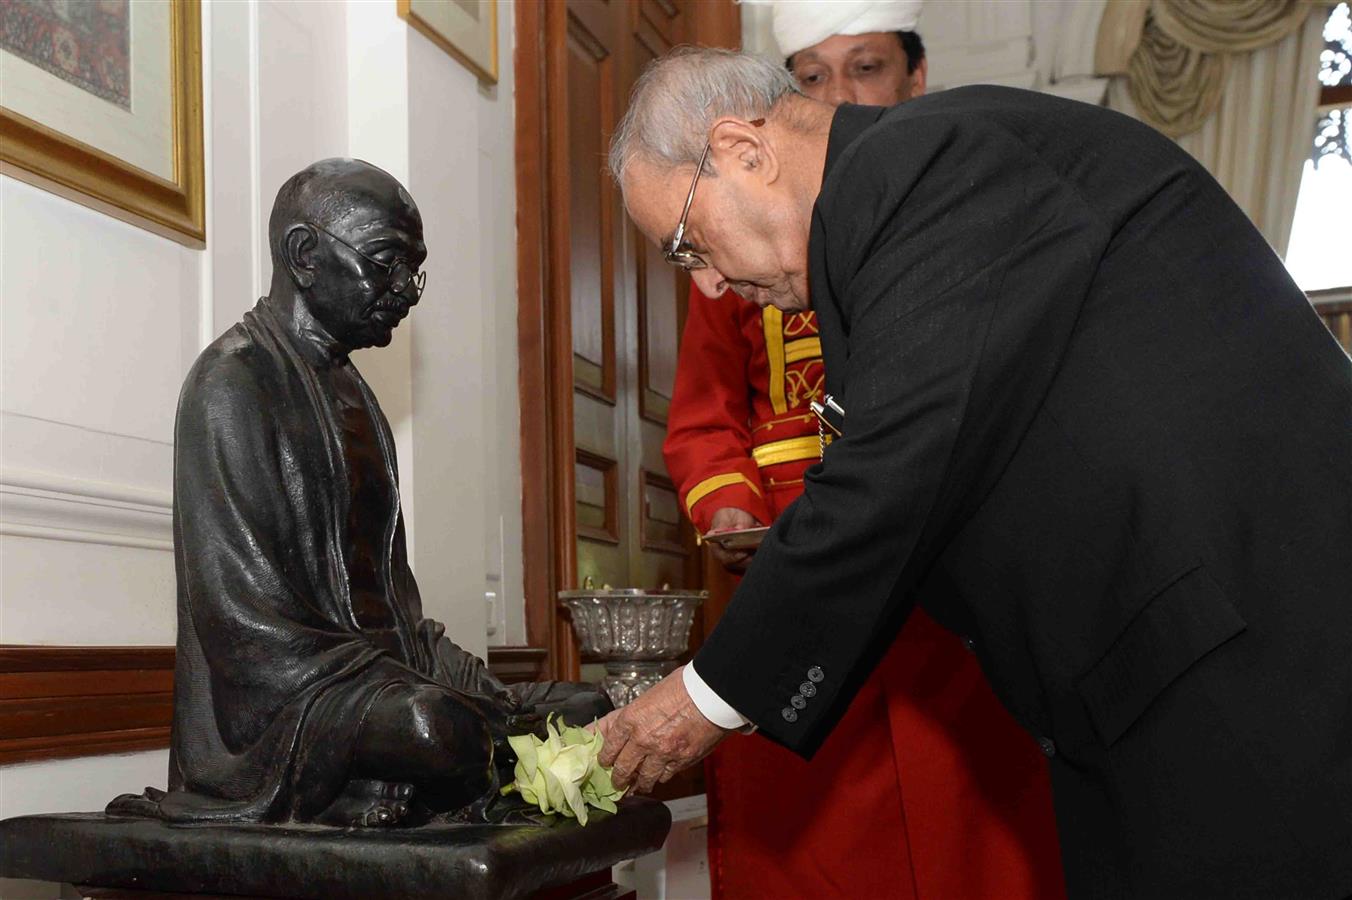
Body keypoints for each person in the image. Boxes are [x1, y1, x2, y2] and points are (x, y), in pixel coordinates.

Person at [598, 49, 1352, 899]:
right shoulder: (893, 195)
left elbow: (895, 467)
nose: (708, 284)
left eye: (686, 243)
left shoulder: (925, 165)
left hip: (1244, 667)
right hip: (1162, 678)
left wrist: (702, 699)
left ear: (744, 149)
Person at [663, 3, 1062, 898]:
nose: (839, 94)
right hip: (792, 579)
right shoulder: (733, 249)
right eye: (811, 77)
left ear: (916, 79)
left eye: (867, 68)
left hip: (941, 579)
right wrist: (730, 509)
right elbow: (702, 417)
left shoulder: (951, 209)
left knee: (979, 831)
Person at [110, 159, 606, 829]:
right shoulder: (231, 385)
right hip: (290, 707)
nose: (406, 290)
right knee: (438, 732)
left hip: (383, 682)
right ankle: (376, 782)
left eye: (415, 269)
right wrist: (434, 701)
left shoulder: (357, 399)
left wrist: (475, 688)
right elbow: (244, 625)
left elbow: (394, 608)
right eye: (385, 262)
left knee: (585, 705)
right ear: (305, 255)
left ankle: (425, 766)